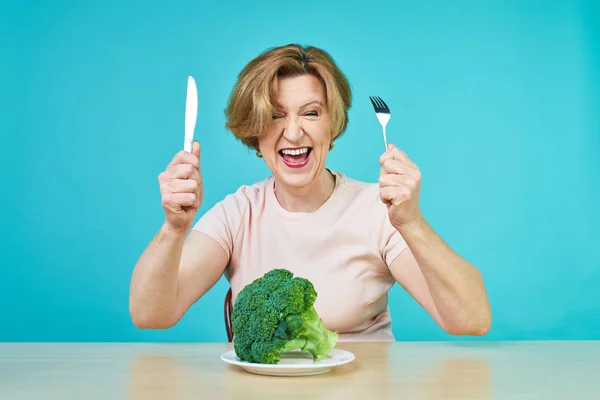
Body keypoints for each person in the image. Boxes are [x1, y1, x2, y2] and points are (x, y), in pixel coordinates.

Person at [129, 44, 492, 341]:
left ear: (332, 125)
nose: (293, 132)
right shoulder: (238, 214)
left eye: (311, 113)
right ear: (255, 131)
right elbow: (150, 314)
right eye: (274, 115)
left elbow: (471, 319)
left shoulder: (377, 211)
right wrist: (173, 230)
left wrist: (411, 223)